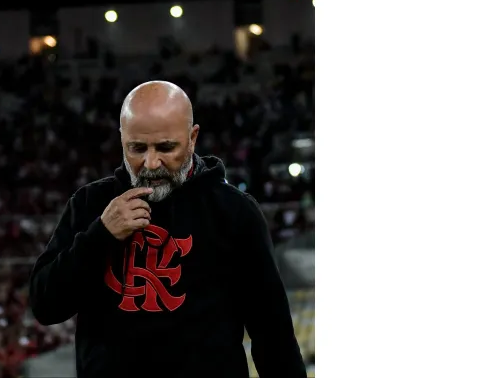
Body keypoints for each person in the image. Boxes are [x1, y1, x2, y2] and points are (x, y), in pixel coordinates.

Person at [29, 81, 306, 378]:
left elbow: (272, 334)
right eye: (137, 148)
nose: (150, 162)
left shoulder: (234, 212)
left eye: (165, 147)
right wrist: (101, 235)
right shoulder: (90, 204)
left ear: (192, 138)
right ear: (122, 139)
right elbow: (46, 306)